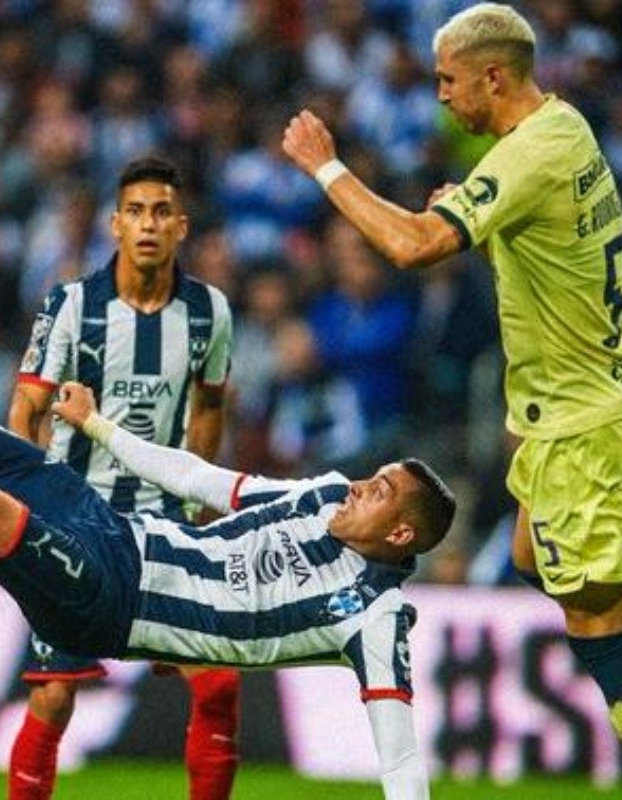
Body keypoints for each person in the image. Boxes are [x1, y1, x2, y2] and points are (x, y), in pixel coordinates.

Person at [0, 381, 455, 800]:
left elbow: (399, 757)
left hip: (110, 600)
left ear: (400, 533)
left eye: (378, 492)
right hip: (113, 527)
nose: (357, 487)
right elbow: (205, 480)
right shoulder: (321, 495)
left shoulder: (375, 614)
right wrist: (99, 427)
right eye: (371, 477)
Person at [282, 1, 622, 740]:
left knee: (596, 611)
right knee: (533, 553)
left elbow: (409, 246)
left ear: (493, 78)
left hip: (579, 426)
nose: (440, 95)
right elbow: (551, 250)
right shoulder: (565, 128)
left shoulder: (526, 154)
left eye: (449, 80)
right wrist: (483, 233)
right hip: (569, 413)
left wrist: (325, 166)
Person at [6, 156, 238, 800]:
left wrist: (198, 499)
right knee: (54, 697)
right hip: (75, 517)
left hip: (162, 519)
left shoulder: (208, 312)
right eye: (135, 211)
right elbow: (26, 406)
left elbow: (212, 404)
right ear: (114, 224)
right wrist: (34, 501)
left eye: (161, 211)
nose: (148, 224)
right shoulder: (73, 305)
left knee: (217, 680)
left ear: (182, 227)